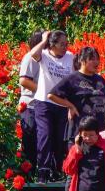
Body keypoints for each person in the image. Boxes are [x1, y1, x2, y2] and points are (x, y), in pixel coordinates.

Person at [29, 29, 73, 182]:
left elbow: (72, 81)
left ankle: (56, 171)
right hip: (44, 103)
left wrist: (70, 105)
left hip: (61, 104)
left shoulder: (70, 57)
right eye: (61, 44)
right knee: (45, 136)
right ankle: (43, 172)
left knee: (59, 138)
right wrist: (43, 40)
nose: (65, 47)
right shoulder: (45, 55)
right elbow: (33, 54)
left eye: (66, 44)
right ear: (52, 45)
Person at [49, 46, 105, 144]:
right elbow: (52, 95)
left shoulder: (100, 79)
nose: (96, 62)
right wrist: (70, 106)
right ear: (82, 61)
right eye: (92, 59)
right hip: (80, 132)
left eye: (97, 59)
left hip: (100, 132)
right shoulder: (72, 79)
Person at [16, 31, 44, 171]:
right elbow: (24, 80)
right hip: (30, 106)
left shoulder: (46, 59)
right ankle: (29, 171)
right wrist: (44, 90)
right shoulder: (29, 58)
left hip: (43, 105)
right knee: (30, 139)